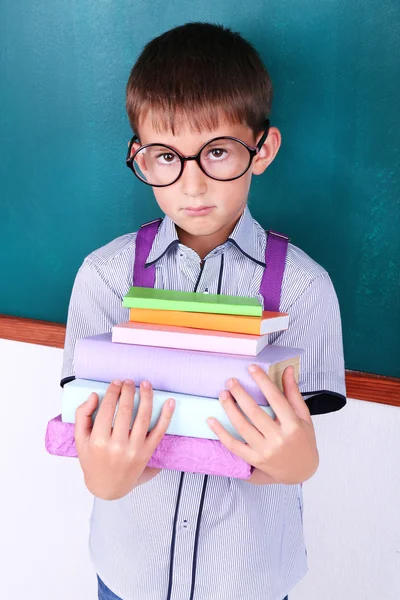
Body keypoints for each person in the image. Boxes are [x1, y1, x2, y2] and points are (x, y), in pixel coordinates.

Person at [61, 22, 346, 600]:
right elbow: (88, 432)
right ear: (138, 155)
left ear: (261, 149)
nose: (191, 184)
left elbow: (299, 447)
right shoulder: (104, 277)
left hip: (247, 579)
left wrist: (298, 461)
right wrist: (104, 473)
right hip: (129, 575)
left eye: (217, 151)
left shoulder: (303, 288)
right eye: (166, 156)